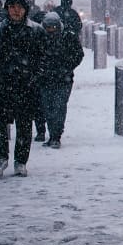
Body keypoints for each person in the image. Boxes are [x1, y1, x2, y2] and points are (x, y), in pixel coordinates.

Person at [0, 0, 46, 177]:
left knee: (24, 125)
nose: (16, 11)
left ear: (25, 9)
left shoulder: (36, 31)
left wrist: (34, 77)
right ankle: (0, 157)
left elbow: (43, 58)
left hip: (26, 87)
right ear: (7, 9)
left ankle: (21, 161)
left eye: (19, 7)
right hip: (1, 86)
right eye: (12, 7)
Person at [38, 12, 84, 148]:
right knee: (48, 108)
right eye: (48, 28)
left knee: (58, 107)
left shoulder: (68, 37)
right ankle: (53, 134)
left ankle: (56, 136)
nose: (51, 30)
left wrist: (67, 67)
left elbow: (78, 54)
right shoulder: (39, 37)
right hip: (46, 78)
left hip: (63, 79)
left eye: (53, 27)